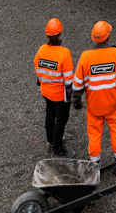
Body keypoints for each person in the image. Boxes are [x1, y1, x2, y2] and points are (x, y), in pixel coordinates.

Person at [72, 20, 116, 176]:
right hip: (114, 105)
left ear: (94, 38)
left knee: (94, 135)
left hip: (94, 107)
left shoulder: (85, 57)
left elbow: (77, 84)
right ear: (108, 37)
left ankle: (95, 166)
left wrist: (76, 101)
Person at [34, 18, 75, 157]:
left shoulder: (41, 50)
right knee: (61, 120)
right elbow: (69, 79)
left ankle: (51, 141)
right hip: (60, 95)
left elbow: (38, 70)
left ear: (47, 35)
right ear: (60, 34)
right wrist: (74, 97)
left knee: (50, 115)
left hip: (46, 91)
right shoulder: (64, 53)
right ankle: (57, 149)